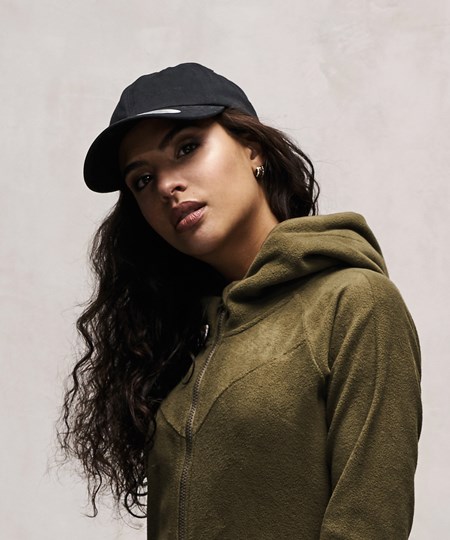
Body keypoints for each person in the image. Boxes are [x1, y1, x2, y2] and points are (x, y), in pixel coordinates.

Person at [59, 62, 422, 539]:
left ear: (252, 148)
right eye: (143, 179)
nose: (166, 186)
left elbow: (369, 524)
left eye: (187, 148)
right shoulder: (190, 342)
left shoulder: (354, 303)